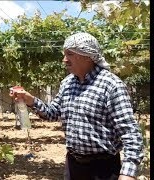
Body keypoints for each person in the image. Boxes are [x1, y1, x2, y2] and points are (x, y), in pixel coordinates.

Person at [12, 32, 144, 180]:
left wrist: (128, 173)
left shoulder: (111, 85)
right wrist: (30, 100)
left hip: (103, 170)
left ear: (87, 56)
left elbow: (131, 133)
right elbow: (52, 113)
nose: (64, 60)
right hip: (73, 166)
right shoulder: (67, 84)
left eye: (69, 54)